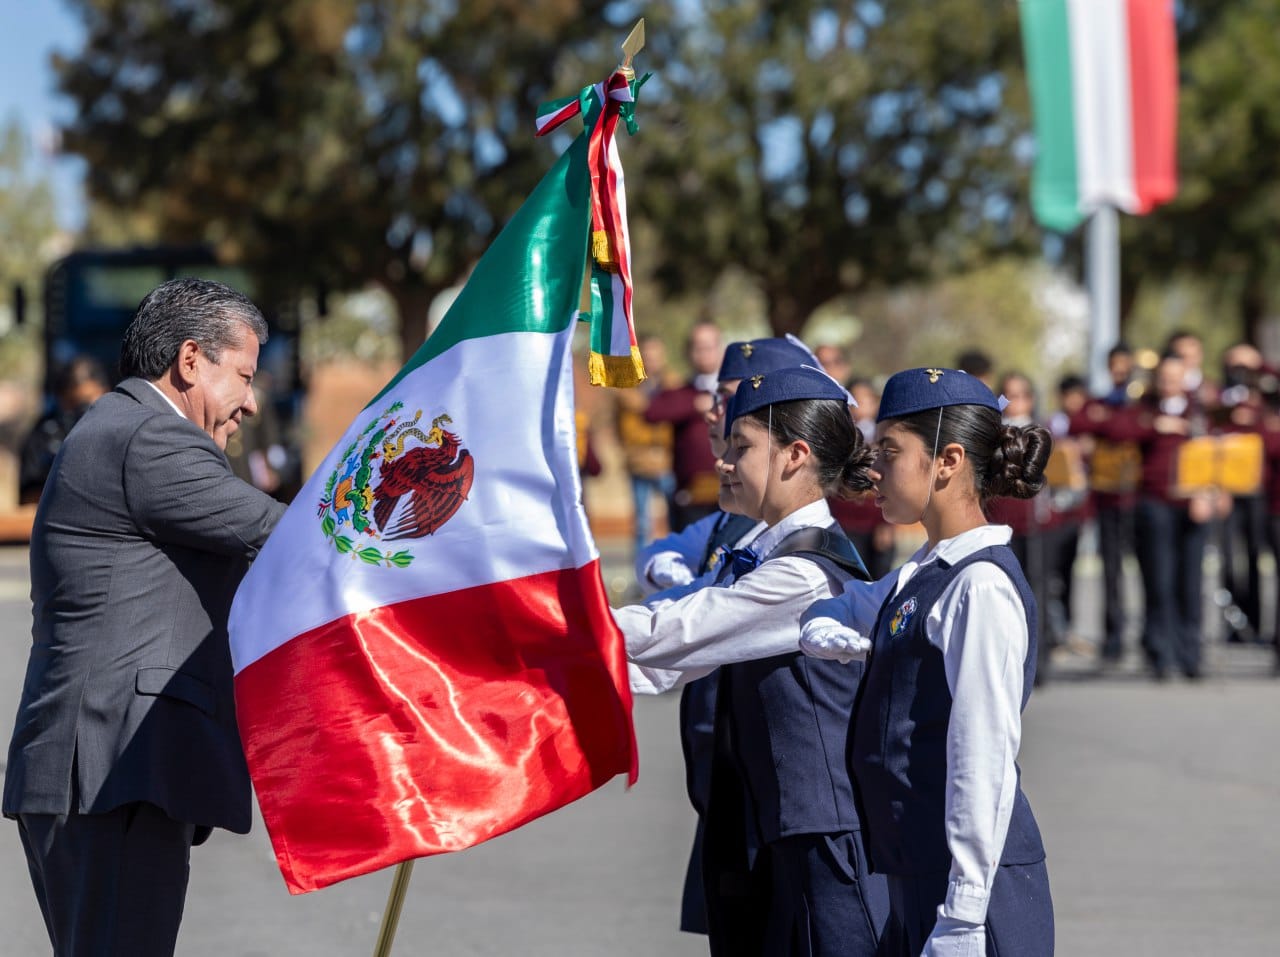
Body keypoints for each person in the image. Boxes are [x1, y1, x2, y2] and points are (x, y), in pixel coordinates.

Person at [3, 278, 288, 957]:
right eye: (243, 376)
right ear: (191, 360)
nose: (250, 402)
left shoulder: (117, 425)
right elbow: (287, 540)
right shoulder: (151, 436)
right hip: (112, 772)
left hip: (99, 773)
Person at [618, 365, 889, 957]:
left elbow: (683, 629)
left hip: (827, 837)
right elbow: (671, 655)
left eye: (742, 447)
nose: (724, 460)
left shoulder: (803, 572)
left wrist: (557, 632)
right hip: (775, 828)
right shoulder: (761, 553)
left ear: (794, 456)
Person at [801, 366, 1055, 957]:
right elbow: (843, 608)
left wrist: (965, 912)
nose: (874, 470)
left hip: (970, 889)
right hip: (917, 873)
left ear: (948, 461)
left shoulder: (980, 586)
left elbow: (982, 755)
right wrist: (827, 630)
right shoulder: (926, 570)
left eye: (891, 451)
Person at [634, 335, 819, 936]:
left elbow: (687, 628)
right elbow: (678, 616)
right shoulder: (737, 523)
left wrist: (563, 637)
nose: (720, 417)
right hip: (729, 772)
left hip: (787, 807)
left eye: (738, 416)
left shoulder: (800, 556)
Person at [1105, 352, 1214, 680]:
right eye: (1164, 378)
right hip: (1155, 503)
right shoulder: (1145, 410)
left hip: (1192, 503)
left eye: (1176, 377)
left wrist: (1208, 494)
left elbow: (1214, 452)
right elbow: (1116, 429)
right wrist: (1155, 425)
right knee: (1159, 580)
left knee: (1190, 582)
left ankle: (1190, 654)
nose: (1170, 384)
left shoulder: (1200, 409)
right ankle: (1160, 654)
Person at [646, 320, 724, 531]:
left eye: (708, 347)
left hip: (730, 491)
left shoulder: (733, 390)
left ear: (720, 348)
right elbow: (653, 411)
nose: (703, 353)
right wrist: (695, 404)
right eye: (697, 347)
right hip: (690, 493)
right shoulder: (683, 392)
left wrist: (719, 402)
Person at [613, 334, 679, 553]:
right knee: (642, 522)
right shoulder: (627, 387)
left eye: (656, 355)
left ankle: (679, 563)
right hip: (638, 462)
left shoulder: (674, 385)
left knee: (675, 517)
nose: (652, 360)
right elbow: (620, 427)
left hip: (668, 461)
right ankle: (641, 572)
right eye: (647, 355)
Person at [17, 356, 110, 505]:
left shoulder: (121, 431)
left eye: (86, 402)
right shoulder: (45, 435)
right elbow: (28, 499)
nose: (81, 411)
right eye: (72, 403)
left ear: (105, 392)